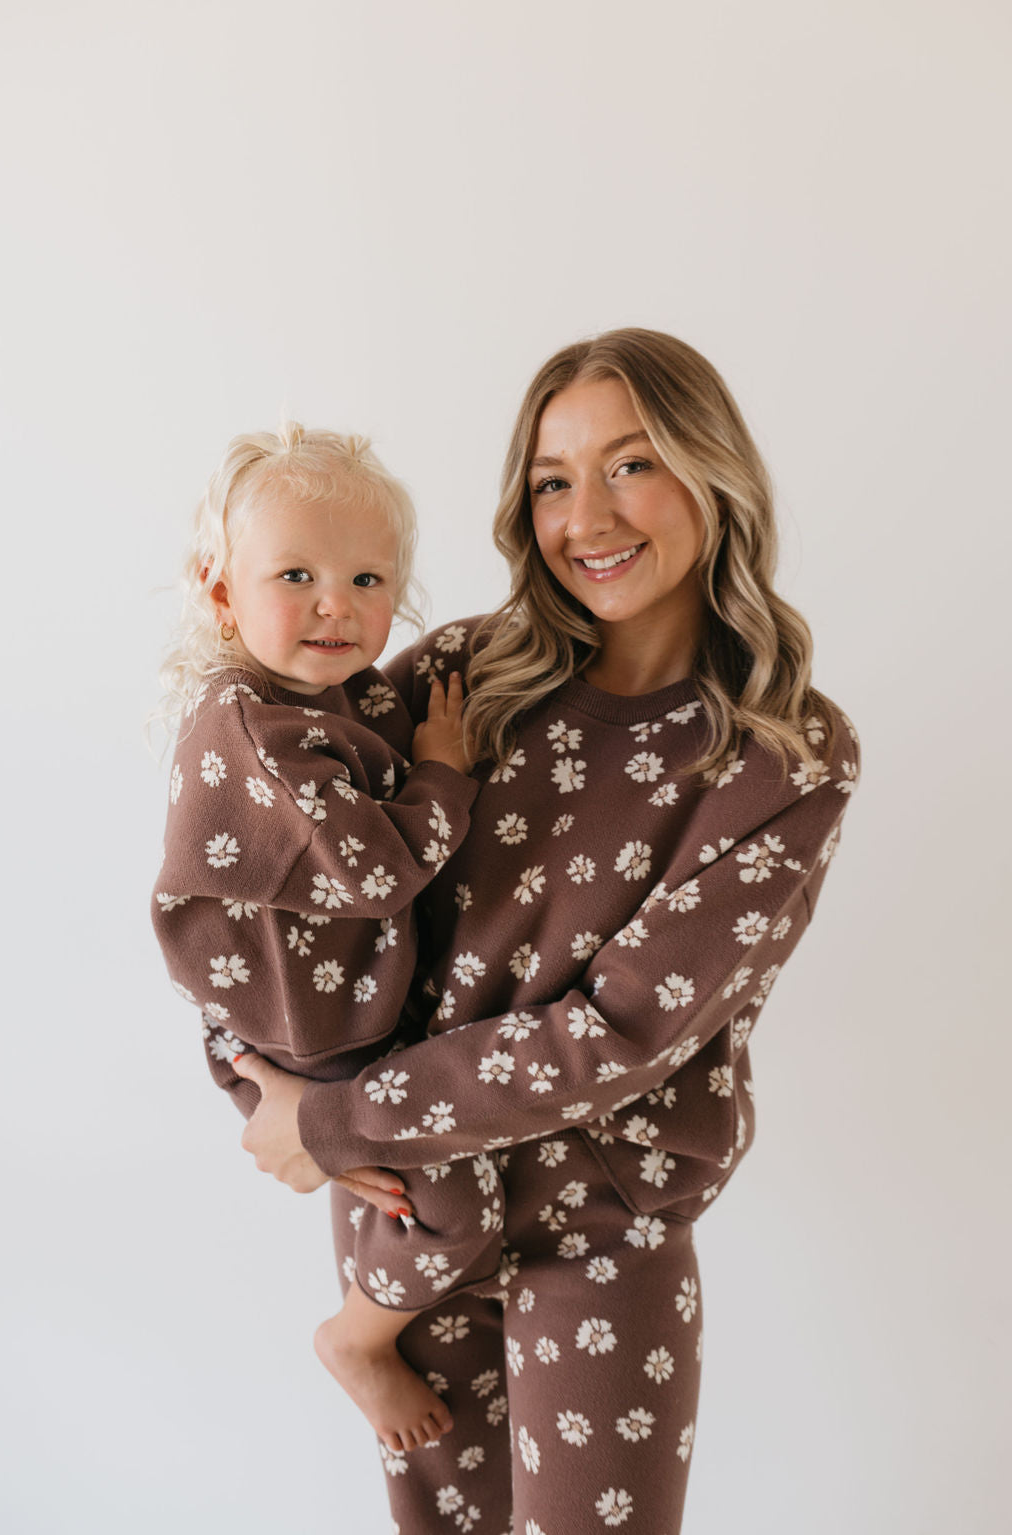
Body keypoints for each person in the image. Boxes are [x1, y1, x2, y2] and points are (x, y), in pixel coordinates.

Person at [230, 331, 860, 1534]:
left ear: (710, 472)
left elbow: (619, 1031)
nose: (588, 514)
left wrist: (331, 1117)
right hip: (414, 1206)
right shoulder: (464, 674)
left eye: (631, 463)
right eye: (552, 479)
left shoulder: (783, 753)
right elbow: (277, 857)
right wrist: (249, 1077)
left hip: (601, 1228)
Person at [151, 423, 510, 1452]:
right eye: (296, 573)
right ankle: (357, 1337)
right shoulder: (249, 725)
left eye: (366, 576)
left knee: (416, 1196)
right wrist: (445, 772)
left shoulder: (319, 698)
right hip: (307, 1033)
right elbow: (372, 867)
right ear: (222, 593)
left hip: (315, 1016)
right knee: (458, 1204)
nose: (335, 604)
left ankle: (374, 1304)